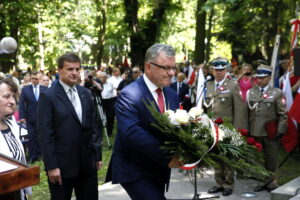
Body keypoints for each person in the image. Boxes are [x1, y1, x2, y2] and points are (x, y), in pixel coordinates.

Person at [106, 43, 183, 200]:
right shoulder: (129, 94)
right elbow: (132, 133)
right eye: (166, 68)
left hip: (158, 168)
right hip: (134, 168)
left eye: (173, 68)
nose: (171, 73)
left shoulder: (172, 95)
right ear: (148, 67)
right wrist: (169, 156)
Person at [37, 53, 102, 200]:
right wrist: (51, 166)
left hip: (87, 164)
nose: (74, 73)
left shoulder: (85, 93)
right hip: (61, 167)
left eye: (77, 69)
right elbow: (45, 134)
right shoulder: (48, 96)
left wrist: (97, 155)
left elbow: (93, 126)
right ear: (59, 70)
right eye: (70, 69)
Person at [204, 57, 246, 196]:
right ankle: (218, 183)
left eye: (221, 69)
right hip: (213, 127)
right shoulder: (208, 85)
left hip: (228, 127)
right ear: (212, 70)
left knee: (228, 157)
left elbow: (239, 109)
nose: (219, 72)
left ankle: (228, 184)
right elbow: (206, 107)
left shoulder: (233, 85)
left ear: (226, 70)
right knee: (216, 156)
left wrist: (238, 130)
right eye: (216, 70)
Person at [246, 64, 288, 192]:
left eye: (263, 78)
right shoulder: (251, 92)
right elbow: (247, 112)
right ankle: (261, 181)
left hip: (270, 132)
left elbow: (283, 114)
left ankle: (272, 182)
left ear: (269, 78)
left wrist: (281, 130)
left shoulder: (277, 93)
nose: (259, 80)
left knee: (271, 158)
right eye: (258, 78)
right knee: (257, 158)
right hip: (254, 131)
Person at [0, 77, 31, 200]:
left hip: (18, 192)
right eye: (7, 96)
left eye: (13, 96)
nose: (13, 101)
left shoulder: (12, 124)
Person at [19, 71, 47, 163]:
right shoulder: (25, 89)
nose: (34, 80)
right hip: (30, 118)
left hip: (42, 118)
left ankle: (40, 155)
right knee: (31, 137)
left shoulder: (45, 89)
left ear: (39, 79)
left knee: (41, 137)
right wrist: (22, 117)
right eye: (33, 79)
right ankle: (32, 156)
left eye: (36, 79)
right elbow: (22, 104)